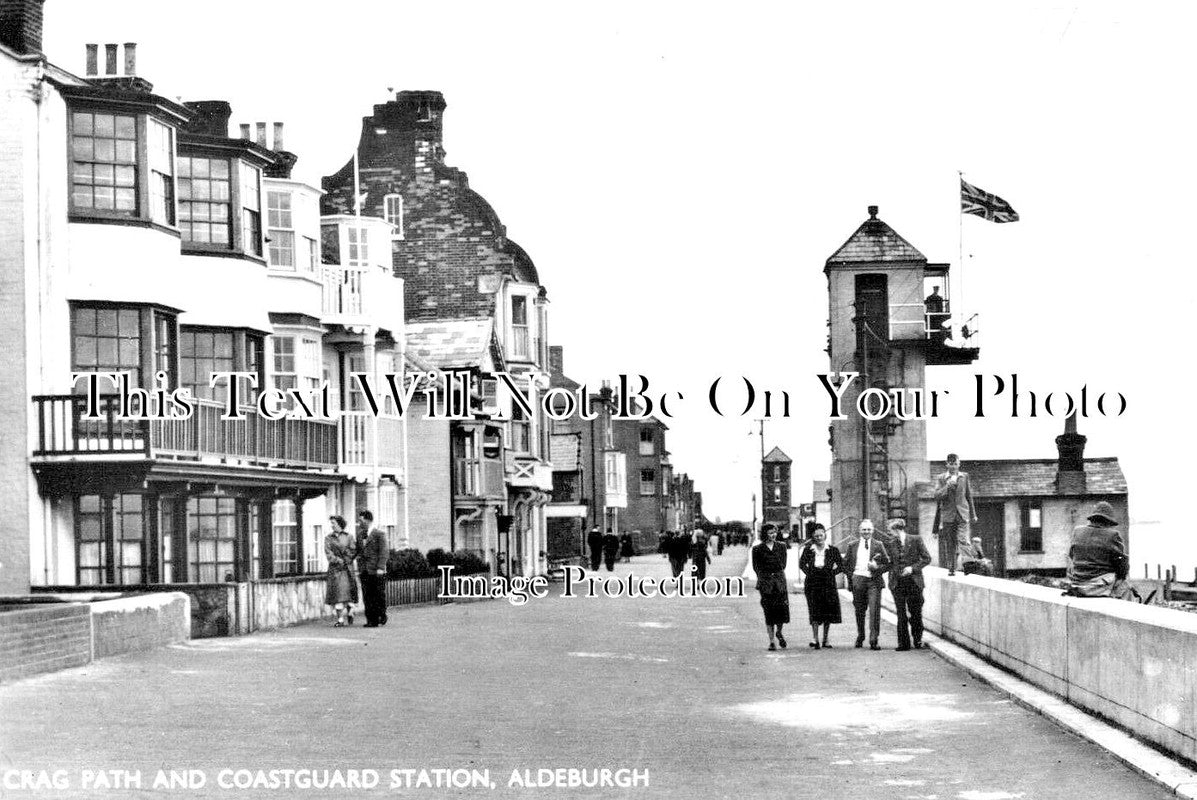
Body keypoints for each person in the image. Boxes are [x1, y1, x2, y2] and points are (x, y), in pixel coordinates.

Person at [1065, 501, 1132, 599]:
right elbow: (1121, 564)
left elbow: (1072, 555)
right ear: (1107, 522)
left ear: (1092, 519)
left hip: (1077, 583)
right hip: (1097, 585)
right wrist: (1121, 576)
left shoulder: (1077, 531)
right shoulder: (1112, 535)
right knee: (1125, 586)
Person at [842, 519, 891, 650]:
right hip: (858, 580)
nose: (866, 532)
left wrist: (877, 567)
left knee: (874, 611)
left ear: (872, 530)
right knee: (859, 611)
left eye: (869, 529)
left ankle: (874, 639)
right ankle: (861, 635)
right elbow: (844, 564)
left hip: (874, 581)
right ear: (859, 531)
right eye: (864, 529)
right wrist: (851, 576)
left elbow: (887, 563)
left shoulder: (878, 544)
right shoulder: (852, 545)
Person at [885, 519, 931, 651]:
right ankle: (903, 644)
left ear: (897, 530)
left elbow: (927, 558)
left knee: (915, 612)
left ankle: (917, 639)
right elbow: (888, 562)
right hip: (897, 582)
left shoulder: (916, 539)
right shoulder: (890, 543)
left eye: (890, 531)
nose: (889, 535)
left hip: (913, 582)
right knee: (901, 614)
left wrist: (912, 569)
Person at [798, 523, 842, 649]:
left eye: (821, 535)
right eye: (816, 536)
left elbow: (840, 565)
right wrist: (810, 573)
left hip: (828, 583)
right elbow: (802, 564)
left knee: (828, 610)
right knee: (814, 609)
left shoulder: (833, 550)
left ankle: (826, 639)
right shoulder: (808, 550)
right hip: (813, 583)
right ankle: (815, 638)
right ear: (813, 537)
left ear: (825, 535)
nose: (819, 538)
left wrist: (830, 573)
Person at [935, 453, 978, 576]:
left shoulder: (964, 476)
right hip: (948, 515)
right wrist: (947, 487)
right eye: (951, 464)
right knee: (951, 543)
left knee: (963, 538)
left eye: (955, 464)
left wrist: (973, 514)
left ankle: (968, 564)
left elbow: (968, 496)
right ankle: (952, 568)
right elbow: (937, 495)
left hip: (962, 513)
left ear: (959, 464)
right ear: (947, 464)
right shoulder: (941, 478)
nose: (953, 466)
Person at [751, 523, 790, 651]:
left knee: (781, 611)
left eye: (774, 532)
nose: (773, 535)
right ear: (764, 534)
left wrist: (775, 573)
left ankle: (779, 632)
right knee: (769, 612)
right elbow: (756, 567)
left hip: (779, 583)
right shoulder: (757, 549)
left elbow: (783, 564)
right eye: (770, 533)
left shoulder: (782, 546)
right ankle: (772, 641)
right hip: (766, 584)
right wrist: (764, 577)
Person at [357, 510, 389, 627]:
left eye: (361, 520)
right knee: (367, 596)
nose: (359, 523)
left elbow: (384, 552)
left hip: (376, 570)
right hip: (364, 570)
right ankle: (371, 620)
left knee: (378, 594)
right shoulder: (360, 534)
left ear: (368, 520)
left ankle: (381, 614)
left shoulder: (379, 534)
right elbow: (358, 550)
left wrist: (381, 567)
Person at [324, 515, 357, 627]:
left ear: (339, 524)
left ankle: (350, 612)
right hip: (335, 570)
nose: (332, 525)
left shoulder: (349, 537)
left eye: (333, 523)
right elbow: (328, 553)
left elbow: (353, 551)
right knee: (337, 595)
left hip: (347, 569)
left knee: (348, 593)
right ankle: (340, 619)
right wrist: (338, 560)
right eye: (331, 523)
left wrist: (346, 560)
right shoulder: (329, 538)